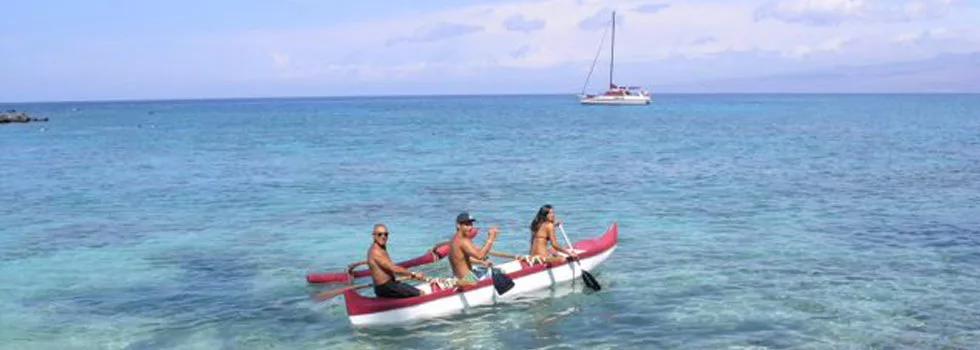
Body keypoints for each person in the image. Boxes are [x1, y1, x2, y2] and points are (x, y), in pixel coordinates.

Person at [365, 223, 426, 298]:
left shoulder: (381, 247)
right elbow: (393, 268)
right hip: (386, 287)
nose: (383, 237)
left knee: (407, 288)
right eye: (380, 234)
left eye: (386, 234)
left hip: (389, 285)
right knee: (421, 293)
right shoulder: (376, 251)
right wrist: (413, 274)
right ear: (374, 235)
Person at [448, 212, 498, 286]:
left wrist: (481, 262)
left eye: (471, 224)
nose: (470, 228)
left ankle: (455, 282)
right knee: (501, 273)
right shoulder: (463, 241)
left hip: (458, 277)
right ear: (458, 225)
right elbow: (480, 255)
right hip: (468, 280)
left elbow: (460, 258)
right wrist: (491, 237)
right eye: (467, 225)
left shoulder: (454, 239)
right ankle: (457, 283)